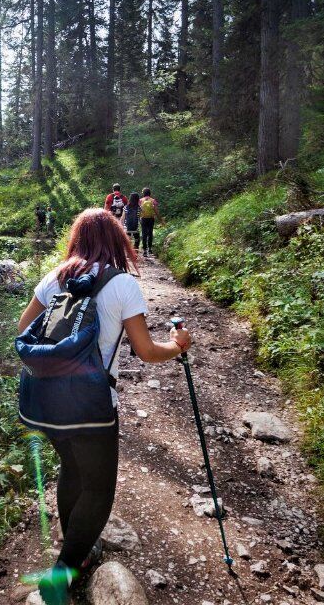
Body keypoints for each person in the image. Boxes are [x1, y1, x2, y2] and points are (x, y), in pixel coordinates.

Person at [16, 208, 192, 602]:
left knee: (72, 471)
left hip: (44, 405)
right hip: (91, 408)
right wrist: (178, 347)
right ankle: (63, 572)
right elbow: (146, 352)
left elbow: (21, 329)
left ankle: (74, 547)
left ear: (77, 240)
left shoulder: (55, 278)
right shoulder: (123, 285)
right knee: (99, 489)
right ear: (117, 241)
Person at [137, 187, 161, 256]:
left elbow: (138, 211)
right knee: (150, 233)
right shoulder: (153, 200)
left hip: (143, 219)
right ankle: (150, 249)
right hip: (151, 218)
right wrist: (160, 219)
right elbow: (156, 211)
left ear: (143, 193)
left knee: (144, 233)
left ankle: (144, 250)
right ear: (150, 193)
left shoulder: (140, 200)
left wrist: (137, 219)